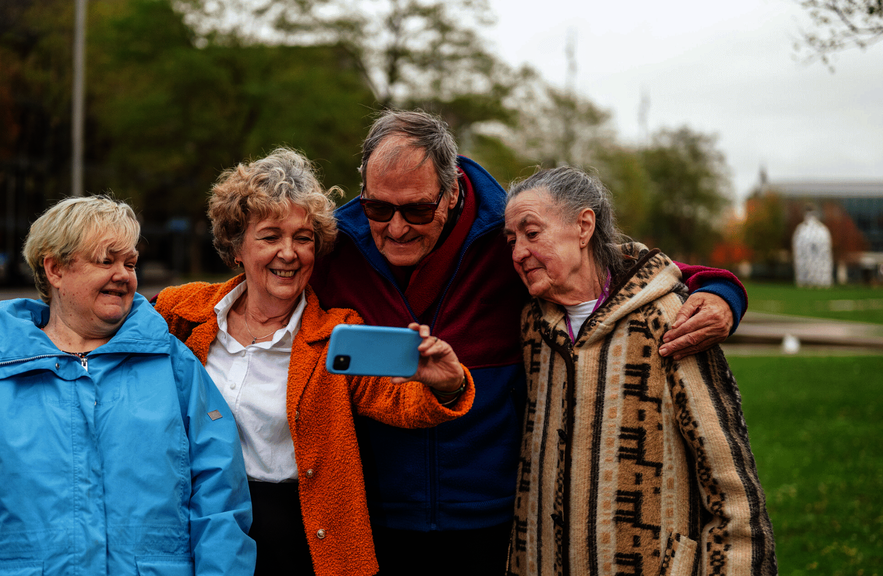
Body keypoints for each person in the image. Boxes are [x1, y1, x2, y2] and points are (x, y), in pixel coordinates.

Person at [308, 110, 750, 575]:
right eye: (378, 208)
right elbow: (269, 278)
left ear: (452, 190)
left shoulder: (508, 234)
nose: (396, 228)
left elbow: (620, 267)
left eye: (417, 210)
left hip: (493, 522)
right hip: (375, 518)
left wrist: (721, 292)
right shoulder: (338, 244)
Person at [152, 149, 475, 576]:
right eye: (270, 236)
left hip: (302, 537)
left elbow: (395, 401)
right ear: (236, 248)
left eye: (303, 238)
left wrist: (445, 385)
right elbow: (105, 336)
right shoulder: (183, 312)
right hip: (199, 525)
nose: (289, 253)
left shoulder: (337, 333)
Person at [0, 196, 255, 575]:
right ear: (54, 269)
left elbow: (220, 500)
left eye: (130, 263)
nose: (123, 275)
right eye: (106, 261)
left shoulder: (173, 365)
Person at [504, 167, 776, 575]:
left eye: (531, 233)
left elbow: (731, 488)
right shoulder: (531, 329)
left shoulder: (671, 318)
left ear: (583, 226)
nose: (518, 252)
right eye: (511, 240)